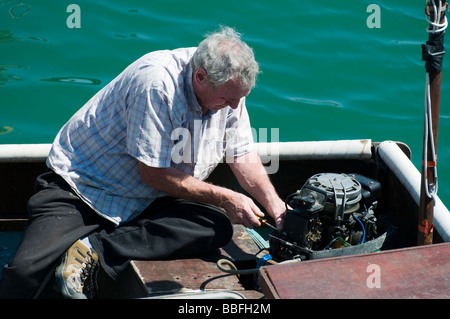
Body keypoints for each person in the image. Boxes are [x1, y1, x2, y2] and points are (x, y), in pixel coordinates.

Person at [0, 26, 286, 299]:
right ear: (200, 77)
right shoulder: (156, 84)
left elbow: (241, 153)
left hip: (152, 198)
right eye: (228, 98)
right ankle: (83, 250)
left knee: (216, 225)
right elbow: (152, 174)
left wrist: (277, 208)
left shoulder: (230, 88)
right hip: (85, 190)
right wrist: (225, 196)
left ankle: (93, 248)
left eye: (240, 98)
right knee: (25, 275)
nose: (235, 106)